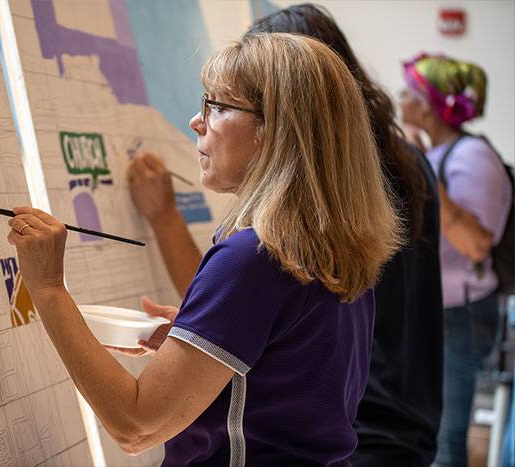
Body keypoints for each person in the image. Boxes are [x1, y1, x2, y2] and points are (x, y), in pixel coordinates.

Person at [8, 33, 402, 465]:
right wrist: (205, 339)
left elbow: (135, 425)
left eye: (217, 106)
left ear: (276, 129)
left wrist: (48, 288)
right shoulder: (329, 247)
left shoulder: (254, 258)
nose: (197, 121)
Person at [128, 4, 444, 465]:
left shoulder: (276, 241)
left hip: (360, 430)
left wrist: (163, 222)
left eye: (221, 103)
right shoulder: (397, 165)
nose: (199, 120)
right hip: (393, 424)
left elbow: (246, 297)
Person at [399, 53, 512, 467]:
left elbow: (476, 244)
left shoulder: (471, 157)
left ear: (427, 106)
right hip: (441, 311)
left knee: (446, 438)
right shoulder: (439, 151)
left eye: (407, 93)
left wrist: (418, 167)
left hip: (462, 317)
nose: (399, 99)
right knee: (429, 429)